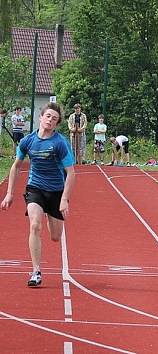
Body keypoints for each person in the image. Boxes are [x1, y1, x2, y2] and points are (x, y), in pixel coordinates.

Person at [0, 102, 76, 287]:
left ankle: (53, 216)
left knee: (55, 237)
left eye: (54, 119)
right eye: (48, 116)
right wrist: (9, 193)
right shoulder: (27, 141)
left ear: (57, 124)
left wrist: (64, 199)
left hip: (56, 190)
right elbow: (16, 166)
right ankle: (36, 271)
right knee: (35, 225)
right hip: (35, 188)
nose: (50, 120)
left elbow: (71, 172)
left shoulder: (60, 143)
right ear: (41, 117)